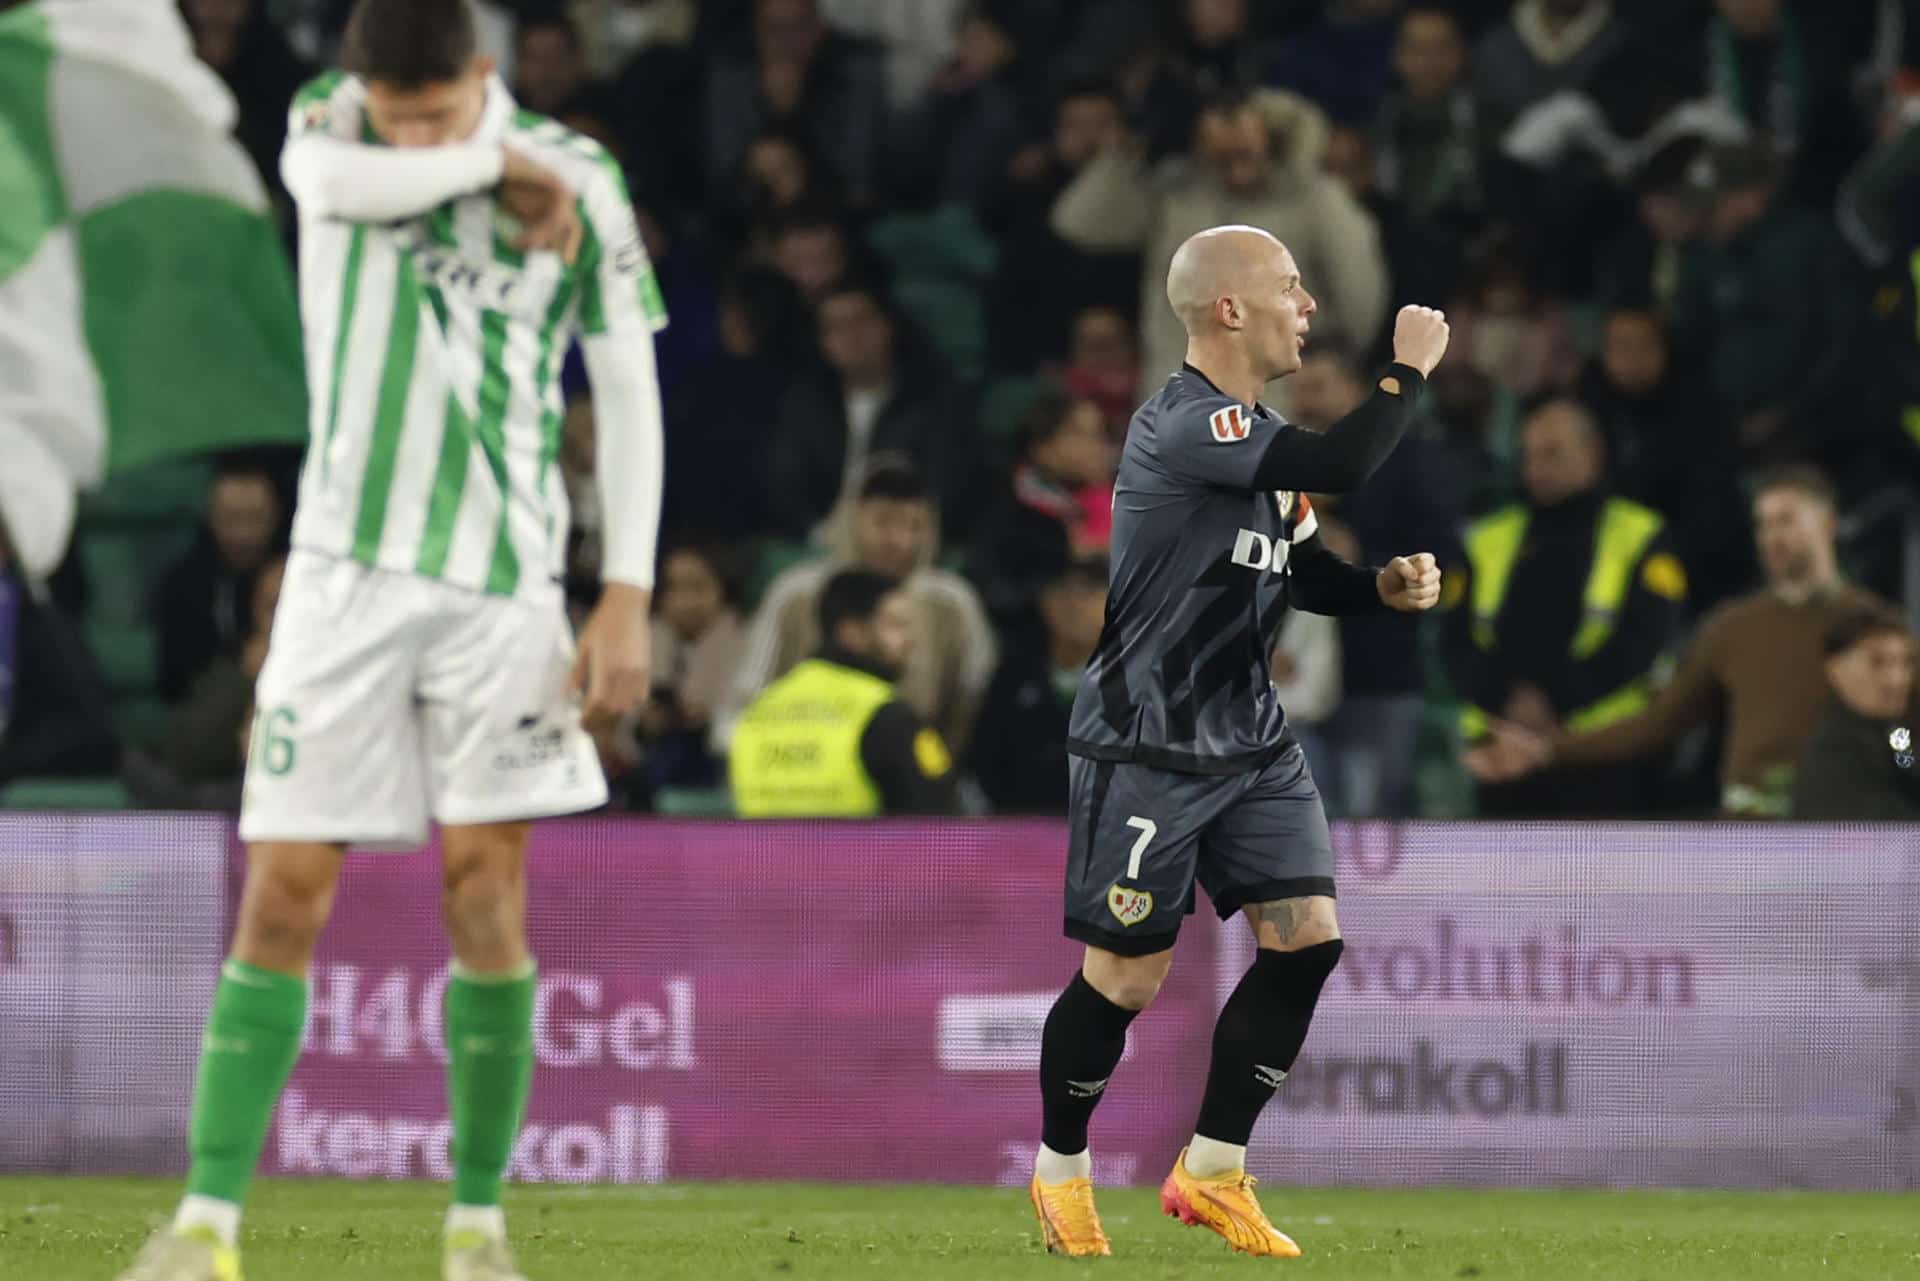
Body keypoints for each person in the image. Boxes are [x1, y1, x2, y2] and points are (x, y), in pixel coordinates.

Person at [114, 2, 666, 1278]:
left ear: (485, 74)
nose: (403, 129)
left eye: (436, 112)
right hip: (340, 580)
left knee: (485, 890)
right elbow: (322, 175)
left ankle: (476, 1231)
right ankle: (205, 1227)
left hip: (505, 589)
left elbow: (626, 383)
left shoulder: (586, 178)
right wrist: (492, 164)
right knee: (285, 889)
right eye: (393, 112)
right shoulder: (334, 126)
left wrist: (624, 590)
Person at [1028, 224, 1448, 1259]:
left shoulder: (1255, 443)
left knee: (1308, 939)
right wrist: (1405, 371)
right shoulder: (1185, 426)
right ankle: (1060, 1170)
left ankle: (1212, 1167)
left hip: (1253, 745)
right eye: (1292, 288)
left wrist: (1379, 589)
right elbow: (1342, 460)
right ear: (1229, 309)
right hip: (1149, 745)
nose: (1308, 306)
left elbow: (1303, 573)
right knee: (1126, 978)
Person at [1468, 466, 1887, 817]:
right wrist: (1548, 750)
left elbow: (1905, 730)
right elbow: (1657, 723)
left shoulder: (1873, 624)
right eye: (1764, 522)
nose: (1771, 536)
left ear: (1828, 523)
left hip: (1843, 832)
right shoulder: (1732, 628)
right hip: (1750, 836)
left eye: (1787, 520)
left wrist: (1904, 772)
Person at [1051, 88, 1390, 397]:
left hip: (1280, 400)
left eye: (1247, 156)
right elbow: (1078, 224)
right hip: (1180, 397)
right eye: (1223, 160)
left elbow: (1358, 298)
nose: (1238, 173)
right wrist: (1126, 156)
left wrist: (1333, 360)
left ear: (1275, 143)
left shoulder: (1316, 200)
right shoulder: (1174, 195)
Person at [1445, 399, 1687, 816]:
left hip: (1604, 757)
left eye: (1552, 453)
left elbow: (1644, 641)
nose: (1537, 467)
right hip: (1502, 754)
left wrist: (1553, 702)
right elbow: (1453, 643)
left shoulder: (1641, 534)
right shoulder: (1487, 537)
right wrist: (1507, 699)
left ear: (1592, 454)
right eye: (1530, 454)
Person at [1278, 347, 1460, 817]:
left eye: (1318, 388)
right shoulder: (1279, 463)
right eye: (1297, 392)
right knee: (1298, 822)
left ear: (1357, 392)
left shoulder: (1407, 461)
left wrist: (1364, 561)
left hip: (1377, 677)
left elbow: (1446, 560)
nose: (1306, 405)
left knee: (1372, 828)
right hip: (1285, 681)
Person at [712, 462, 997, 757]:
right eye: (884, 523)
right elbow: (739, 709)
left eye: (915, 526)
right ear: (852, 520)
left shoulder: (953, 603)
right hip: (804, 769)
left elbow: (976, 703)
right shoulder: (795, 595)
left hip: (915, 778)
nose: (901, 541)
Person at [729, 569, 957, 816]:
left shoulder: (760, 709)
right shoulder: (886, 715)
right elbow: (938, 823)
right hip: (858, 854)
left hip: (767, 854)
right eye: (895, 625)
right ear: (852, 632)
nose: (909, 641)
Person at [970, 553, 1108, 815]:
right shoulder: (1012, 673)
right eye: (1063, 588)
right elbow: (986, 756)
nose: (1074, 603)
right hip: (1019, 831)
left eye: (1089, 590)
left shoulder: (1137, 678)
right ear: (1043, 600)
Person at [154, 457, 284, 702]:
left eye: (255, 518)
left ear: (275, 516)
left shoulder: (291, 579)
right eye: (233, 519)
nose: (244, 534)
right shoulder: (183, 586)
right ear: (210, 516)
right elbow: (173, 685)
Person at [1791, 607, 1920, 820]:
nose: (1897, 680)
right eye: (1877, 662)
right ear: (1835, 669)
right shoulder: (1834, 752)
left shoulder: (1896, 734)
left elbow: (1907, 765)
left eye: (1905, 663)